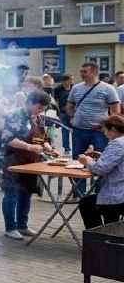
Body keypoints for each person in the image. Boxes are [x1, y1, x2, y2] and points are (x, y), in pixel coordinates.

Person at [0, 90, 57, 239]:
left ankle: (22, 225)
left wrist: (49, 149)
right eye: (39, 107)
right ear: (29, 102)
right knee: (11, 193)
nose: (40, 111)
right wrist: (29, 147)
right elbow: (9, 139)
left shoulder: (37, 118)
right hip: (13, 159)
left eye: (43, 109)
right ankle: (10, 228)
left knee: (26, 193)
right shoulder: (14, 115)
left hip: (31, 161)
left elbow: (41, 138)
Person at [66, 62, 121, 197]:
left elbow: (115, 110)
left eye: (85, 71)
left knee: (102, 161)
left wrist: (105, 125)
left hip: (99, 133)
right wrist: (72, 117)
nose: (81, 74)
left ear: (94, 73)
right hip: (79, 131)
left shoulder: (108, 89)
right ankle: (79, 193)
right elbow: (69, 106)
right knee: (78, 160)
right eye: (81, 71)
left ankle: (99, 193)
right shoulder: (76, 88)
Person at [78, 115, 124, 228]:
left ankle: (98, 234)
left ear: (113, 130)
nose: (105, 134)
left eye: (105, 131)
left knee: (86, 203)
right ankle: (111, 231)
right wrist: (102, 156)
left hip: (119, 196)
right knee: (97, 202)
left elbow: (100, 169)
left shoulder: (117, 143)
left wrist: (87, 161)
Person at [53, 74, 74, 155]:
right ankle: (66, 148)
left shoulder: (73, 87)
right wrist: (59, 112)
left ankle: (75, 146)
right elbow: (57, 101)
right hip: (63, 112)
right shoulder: (58, 89)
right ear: (64, 81)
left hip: (73, 112)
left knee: (75, 130)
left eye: (72, 79)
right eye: (69, 79)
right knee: (65, 130)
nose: (71, 81)